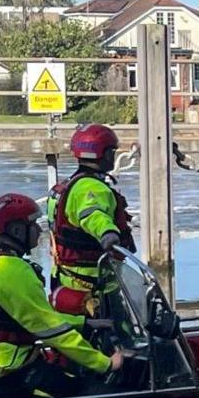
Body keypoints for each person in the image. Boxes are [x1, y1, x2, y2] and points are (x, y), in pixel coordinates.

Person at [0, 192, 117, 398]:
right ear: (17, 230)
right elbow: (51, 331)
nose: (39, 231)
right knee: (94, 397)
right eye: (33, 225)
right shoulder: (9, 270)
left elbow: (26, 317)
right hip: (8, 373)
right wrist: (105, 364)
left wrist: (83, 323)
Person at [49, 122, 134, 316]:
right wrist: (108, 233)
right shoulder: (92, 189)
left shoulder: (66, 187)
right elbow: (92, 214)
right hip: (94, 286)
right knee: (119, 334)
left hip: (66, 281)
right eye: (112, 151)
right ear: (105, 154)